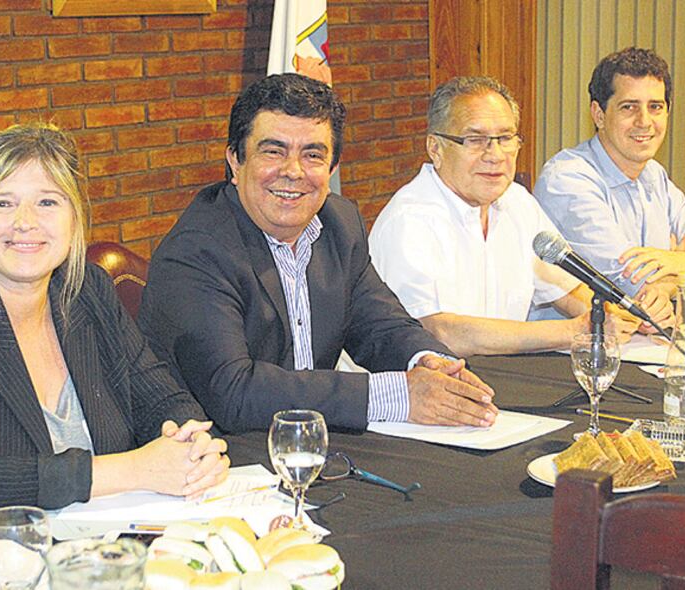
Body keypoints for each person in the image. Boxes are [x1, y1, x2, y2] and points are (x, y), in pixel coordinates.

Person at [0, 123, 229, 539]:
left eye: (47, 201)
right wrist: (137, 468)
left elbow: (164, 399)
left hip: (99, 544)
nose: (25, 223)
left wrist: (192, 445)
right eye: (2, 204)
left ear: (74, 216)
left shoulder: (89, 291)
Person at [138, 73, 498, 434]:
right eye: (273, 151)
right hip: (221, 462)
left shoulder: (340, 224)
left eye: (312, 155)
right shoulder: (196, 251)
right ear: (235, 161)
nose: (293, 172)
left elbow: (380, 325)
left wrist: (433, 365)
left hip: (312, 445)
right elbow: (234, 393)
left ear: (332, 169)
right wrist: (399, 394)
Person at [369, 77, 656, 357]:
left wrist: (618, 318)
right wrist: (574, 332)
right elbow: (439, 332)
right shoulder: (409, 220)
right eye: (475, 139)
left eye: (506, 138)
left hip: (495, 377)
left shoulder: (517, 202)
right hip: (417, 391)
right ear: (435, 148)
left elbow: (566, 289)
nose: (494, 155)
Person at [534, 47, 685, 305]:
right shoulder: (567, 179)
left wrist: (678, 259)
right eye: (629, 107)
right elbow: (633, 290)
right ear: (599, 115)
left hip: (643, 338)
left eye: (655, 107)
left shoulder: (654, 175)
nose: (644, 121)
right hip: (577, 342)